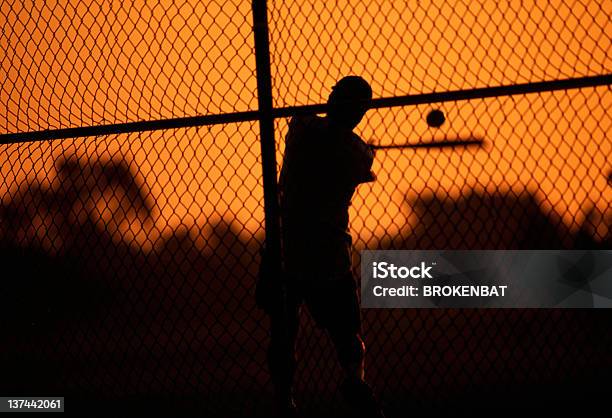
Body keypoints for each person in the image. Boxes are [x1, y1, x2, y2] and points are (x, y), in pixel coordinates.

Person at [257, 76, 384, 418]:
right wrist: (363, 145)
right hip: (328, 253)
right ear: (359, 115)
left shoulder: (301, 129)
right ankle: (353, 380)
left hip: (287, 245)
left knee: (284, 330)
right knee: (347, 333)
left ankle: (285, 399)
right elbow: (363, 164)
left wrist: (345, 133)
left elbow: (305, 119)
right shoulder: (356, 153)